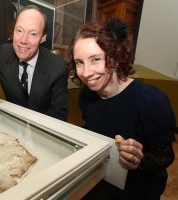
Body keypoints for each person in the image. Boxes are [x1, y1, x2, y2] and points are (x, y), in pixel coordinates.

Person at [68, 18, 176, 200]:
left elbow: (166, 156)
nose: (86, 73)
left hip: (136, 190)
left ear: (115, 57)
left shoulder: (150, 101)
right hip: (99, 182)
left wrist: (139, 159)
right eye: (79, 62)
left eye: (95, 59)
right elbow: (96, 127)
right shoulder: (86, 95)